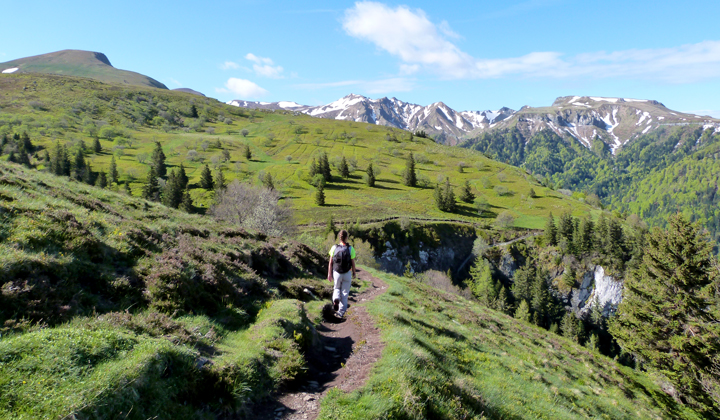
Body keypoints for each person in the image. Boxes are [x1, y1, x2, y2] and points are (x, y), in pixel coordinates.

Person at [327, 230, 356, 318]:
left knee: (336, 288)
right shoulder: (350, 248)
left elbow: (330, 262)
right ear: (346, 237)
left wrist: (329, 273)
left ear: (339, 237)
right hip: (347, 273)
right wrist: (354, 273)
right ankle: (341, 313)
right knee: (345, 293)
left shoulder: (334, 247)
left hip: (337, 272)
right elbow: (353, 263)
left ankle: (336, 299)